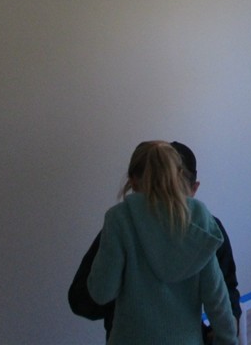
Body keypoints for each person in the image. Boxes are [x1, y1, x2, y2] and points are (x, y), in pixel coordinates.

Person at [69, 142, 242, 342]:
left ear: (133, 182)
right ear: (179, 177)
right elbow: (218, 300)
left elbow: (100, 294)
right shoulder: (201, 226)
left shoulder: (119, 221)